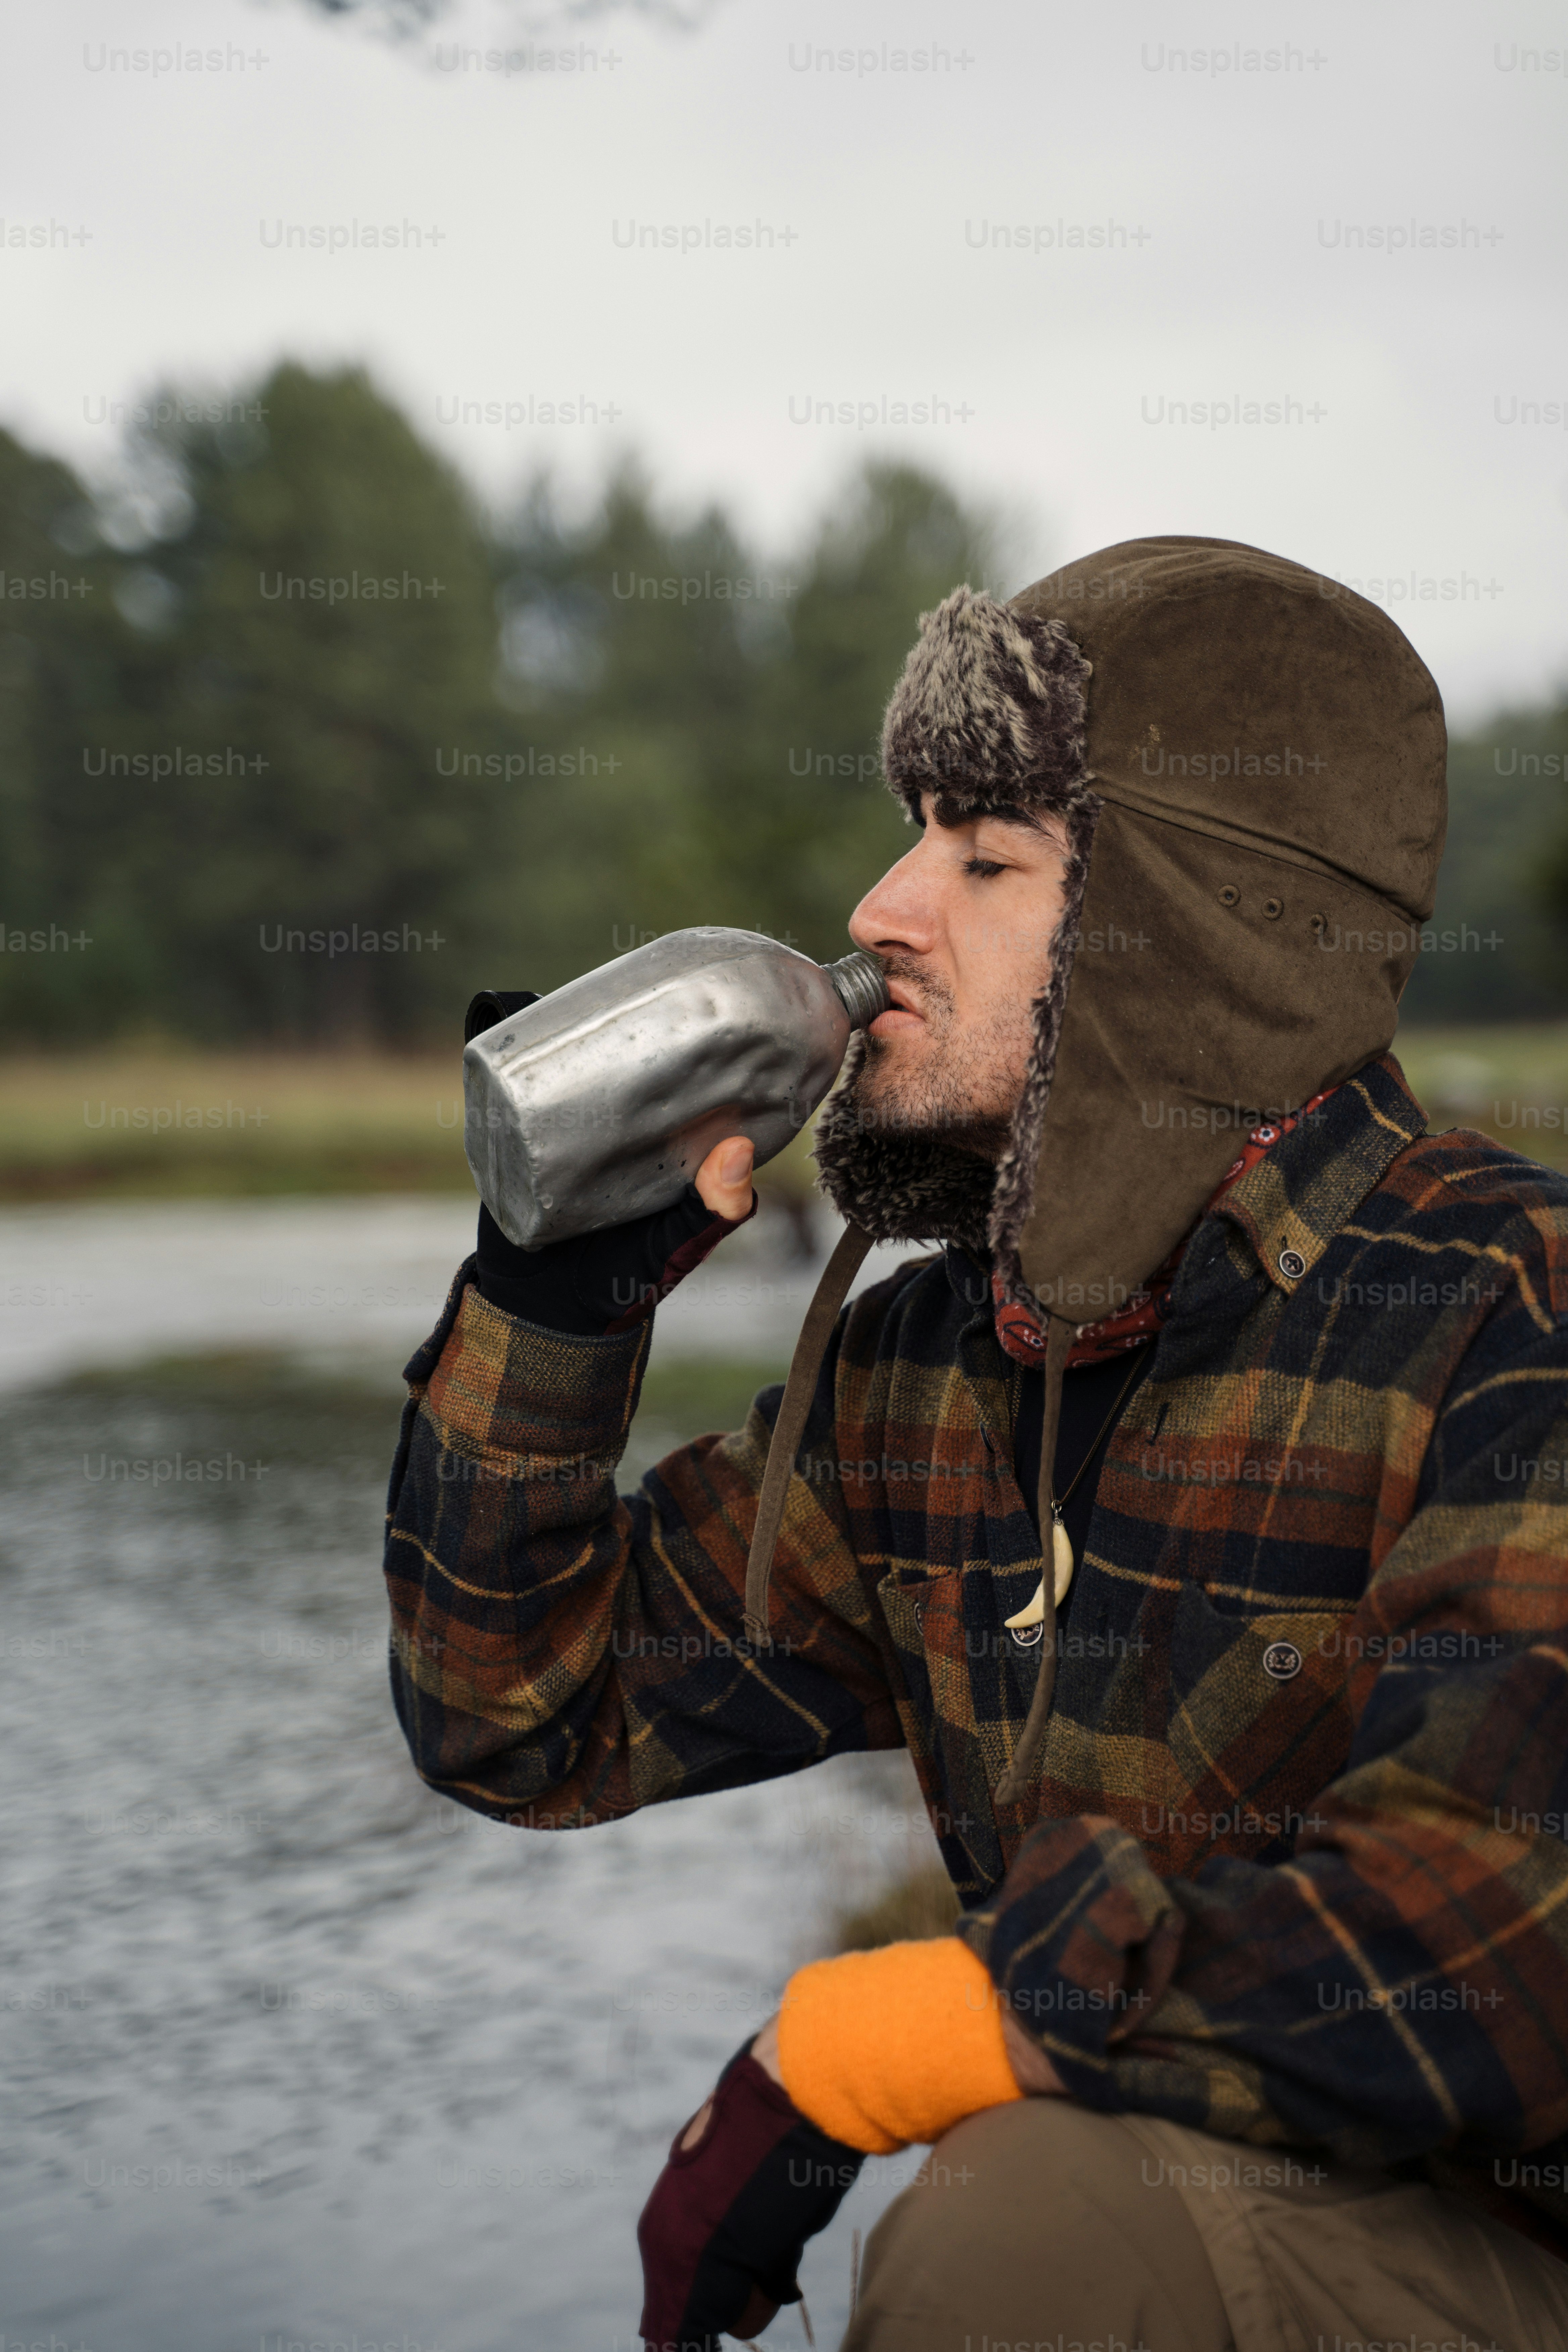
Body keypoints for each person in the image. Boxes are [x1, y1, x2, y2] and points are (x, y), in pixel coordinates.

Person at [383, 537, 1568, 2352]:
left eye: (986, 856)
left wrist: (885, 2041)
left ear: (1195, 934)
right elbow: (526, 1717)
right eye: (913, 829)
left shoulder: (1510, 1304)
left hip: (1500, 2252)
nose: (880, 907)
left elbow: (1497, 1951)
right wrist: (552, 1311)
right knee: (1047, 2202)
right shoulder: (939, 1363)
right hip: (1174, 2190)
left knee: (1029, 2225)